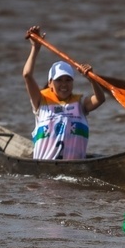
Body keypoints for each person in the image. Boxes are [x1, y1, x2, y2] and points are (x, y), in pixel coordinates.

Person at [23, 26, 106, 160]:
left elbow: (100, 99)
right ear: (50, 83)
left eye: (68, 80)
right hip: (45, 169)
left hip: (75, 167)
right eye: (59, 80)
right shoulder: (40, 100)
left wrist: (92, 80)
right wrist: (35, 48)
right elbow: (27, 75)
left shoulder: (80, 103)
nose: (64, 84)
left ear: (72, 82)